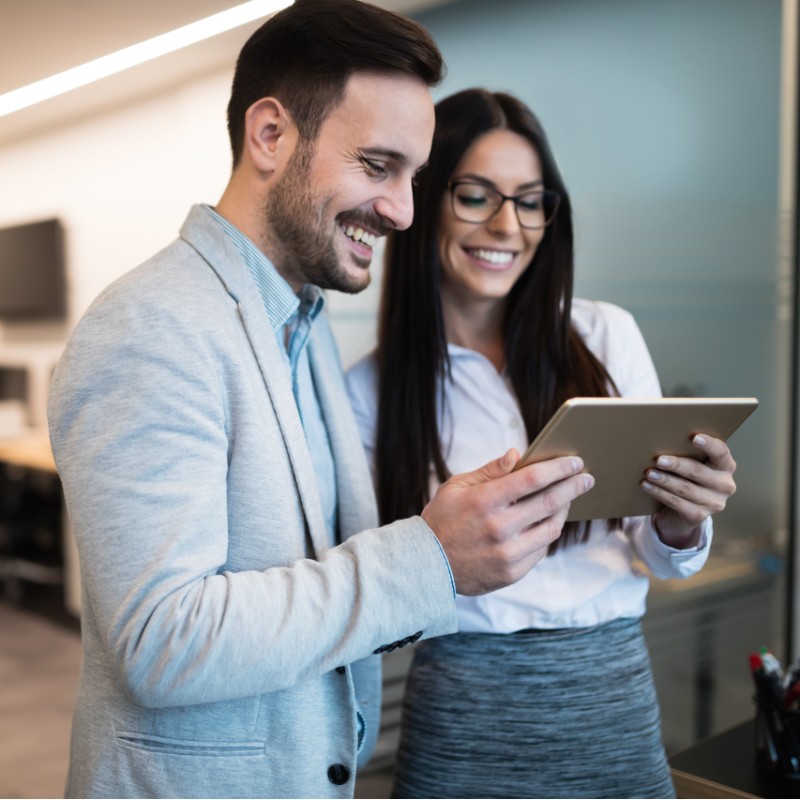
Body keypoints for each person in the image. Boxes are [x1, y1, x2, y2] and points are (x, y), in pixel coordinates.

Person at [47, 5, 596, 799]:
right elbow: (163, 641)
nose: (405, 211)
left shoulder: (298, 325)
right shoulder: (151, 327)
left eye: (413, 176)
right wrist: (430, 557)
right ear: (270, 135)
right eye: (378, 166)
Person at [345, 88, 739, 799]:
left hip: (610, 700)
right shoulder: (368, 392)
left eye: (531, 200)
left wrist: (682, 522)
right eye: (476, 196)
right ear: (424, 199)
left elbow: (658, 556)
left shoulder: (605, 336)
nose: (507, 224)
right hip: (462, 714)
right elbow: (372, 598)